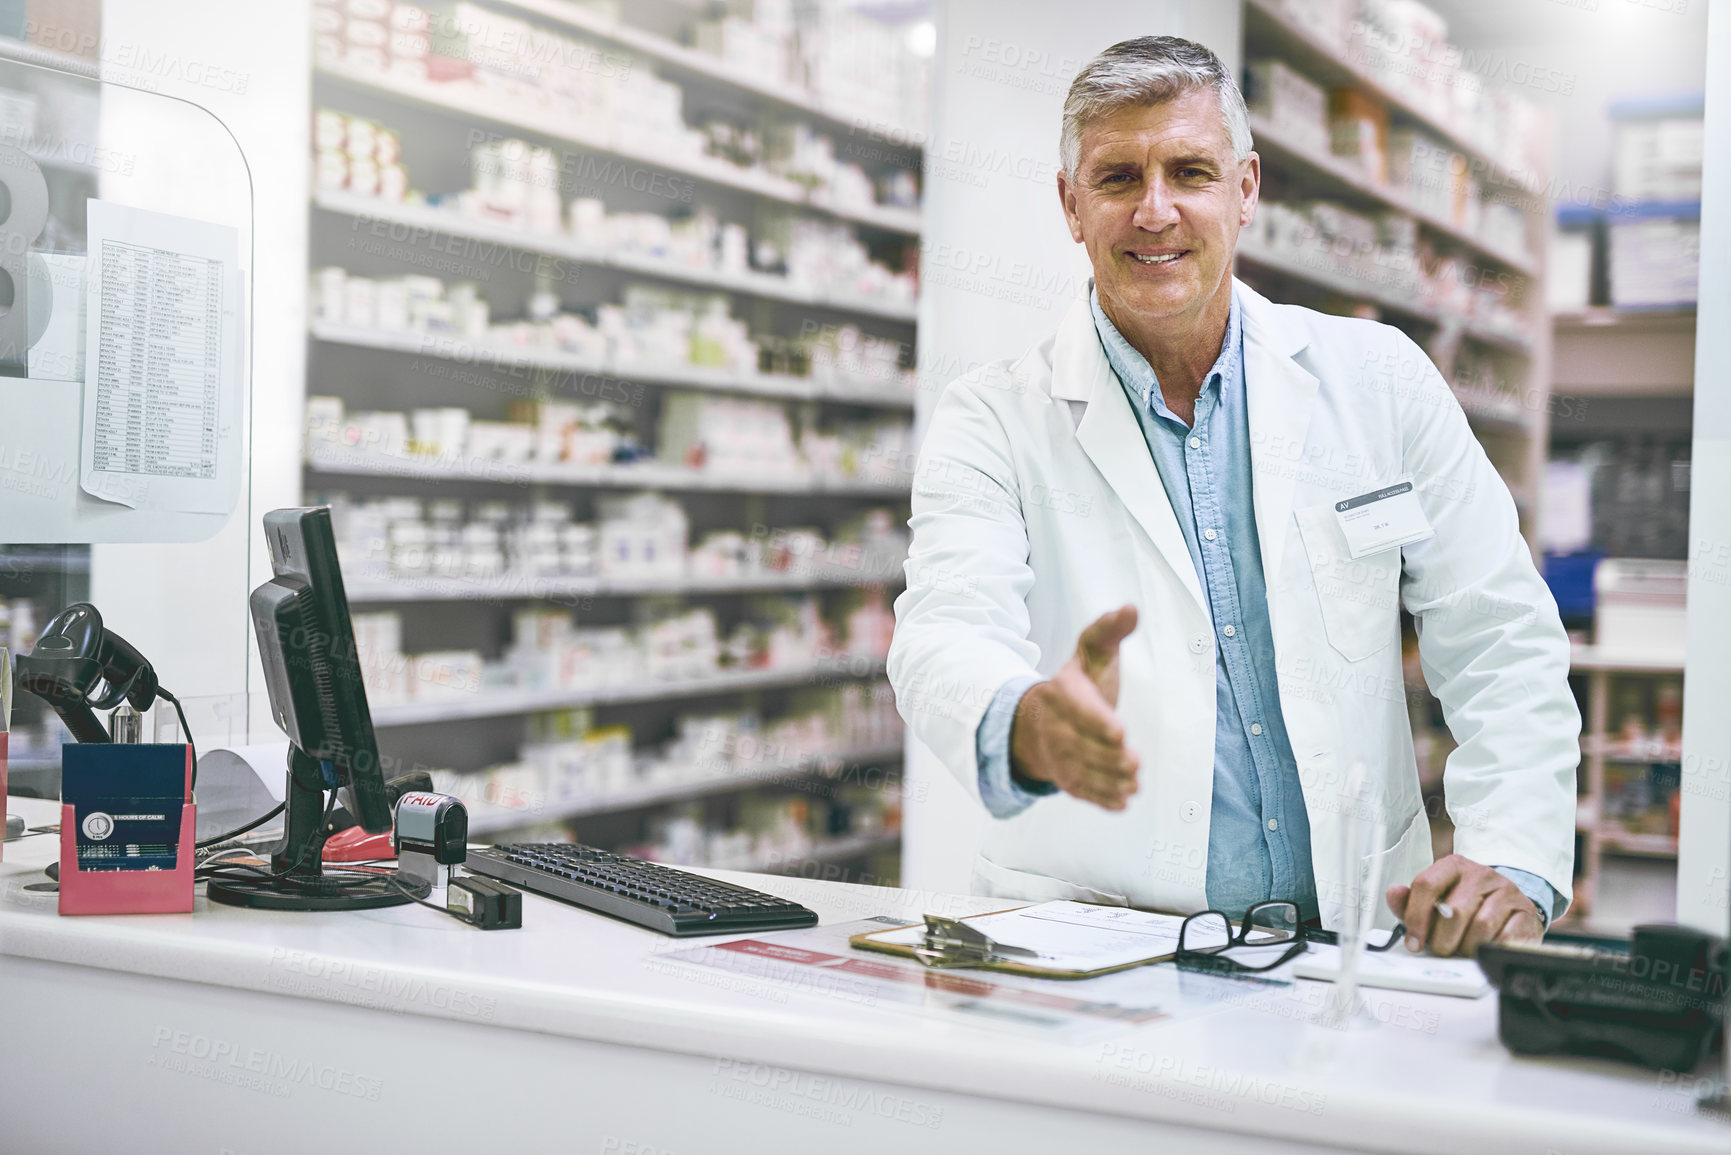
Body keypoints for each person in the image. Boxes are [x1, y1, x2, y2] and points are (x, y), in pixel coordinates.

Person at [887, 36, 1579, 956]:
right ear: (1070, 205)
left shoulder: (1379, 381)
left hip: (1353, 941)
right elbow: (942, 630)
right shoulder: (990, 417)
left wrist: (1513, 861)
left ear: (1245, 189)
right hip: (1100, 941)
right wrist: (1019, 721)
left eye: (1190, 171)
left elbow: (1497, 629)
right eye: (1117, 177)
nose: (1155, 209)